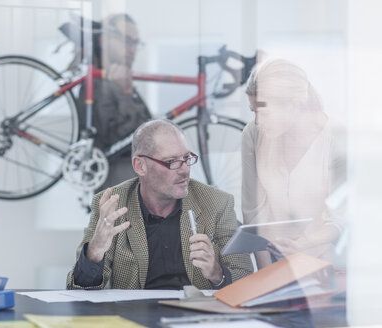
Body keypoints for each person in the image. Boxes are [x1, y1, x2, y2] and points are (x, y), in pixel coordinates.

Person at [66, 119, 253, 290]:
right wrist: (95, 250)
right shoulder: (112, 203)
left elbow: (245, 281)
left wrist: (216, 273)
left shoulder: (217, 203)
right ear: (140, 166)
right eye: (171, 162)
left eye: (187, 158)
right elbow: (79, 290)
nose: (185, 170)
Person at [242, 58, 345, 269]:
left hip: (328, 261)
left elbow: (341, 217)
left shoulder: (337, 138)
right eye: (253, 111)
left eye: (264, 112)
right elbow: (253, 212)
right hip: (274, 259)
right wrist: (266, 273)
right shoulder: (253, 134)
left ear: (294, 105)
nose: (257, 120)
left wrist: (302, 245)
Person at [76, 13, 152, 192]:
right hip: (119, 192)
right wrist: (125, 95)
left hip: (134, 190)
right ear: (104, 41)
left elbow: (149, 132)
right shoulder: (95, 85)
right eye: (126, 40)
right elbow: (121, 142)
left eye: (135, 42)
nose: (132, 48)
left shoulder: (121, 82)